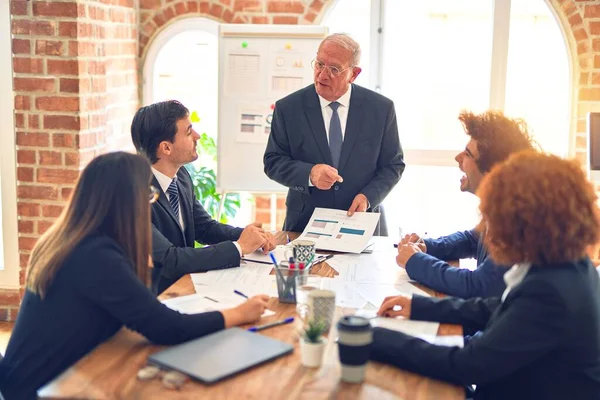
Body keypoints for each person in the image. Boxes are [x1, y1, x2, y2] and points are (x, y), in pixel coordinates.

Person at [0, 152, 269, 400]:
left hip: (44, 374)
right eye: (148, 193)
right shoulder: (95, 256)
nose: (150, 201)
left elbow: (138, 309)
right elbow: (165, 327)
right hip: (40, 389)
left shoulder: (77, 240)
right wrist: (239, 313)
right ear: (127, 200)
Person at [371, 152, 600, 400]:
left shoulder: (551, 291)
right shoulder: (568, 263)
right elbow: (498, 308)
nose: (489, 231)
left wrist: (379, 338)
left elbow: (467, 365)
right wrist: (419, 306)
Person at [263, 33, 405, 236]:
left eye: (334, 69)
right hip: (304, 225)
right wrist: (310, 174)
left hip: (361, 223)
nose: (322, 75)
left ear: (354, 74)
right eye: (319, 64)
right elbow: (272, 162)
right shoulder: (289, 108)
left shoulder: (381, 109)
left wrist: (368, 197)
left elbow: (393, 165)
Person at [131, 100, 276, 294]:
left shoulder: (181, 176)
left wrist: (251, 236)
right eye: (189, 132)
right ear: (166, 148)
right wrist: (239, 247)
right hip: (159, 297)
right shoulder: (134, 195)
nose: (198, 136)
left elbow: (204, 227)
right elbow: (169, 260)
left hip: (186, 285)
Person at [396, 111, 535, 298]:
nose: (458, 158)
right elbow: (473, 239)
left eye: (468, 154)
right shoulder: (503, 207)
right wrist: (426, 247)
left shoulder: (518, 221)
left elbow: (477, 285)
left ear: (492, 172)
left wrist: (415, 261)